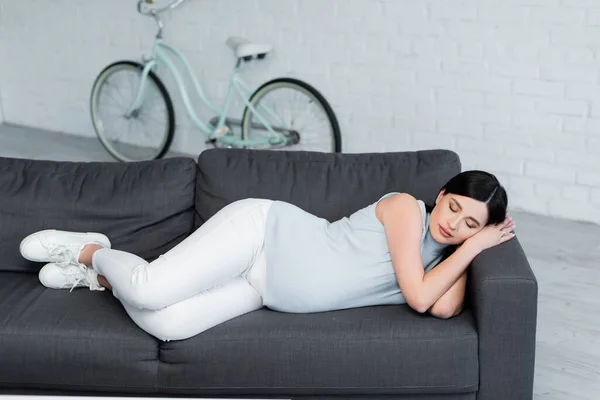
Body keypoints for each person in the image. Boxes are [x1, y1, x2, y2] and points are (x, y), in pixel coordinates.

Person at [19, 170, 514, 342]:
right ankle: (93, 250)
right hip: (264, 234)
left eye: (471, 224)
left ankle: (104, 280)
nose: (452, 224)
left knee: (168, 324)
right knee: (151, 288)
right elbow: (420, 297)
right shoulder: (408, 209)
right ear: (442, 192)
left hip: (264, 288)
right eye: (453, 207)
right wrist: (471, 245)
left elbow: (444, 306)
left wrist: (468, 251)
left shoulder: (442, 261)